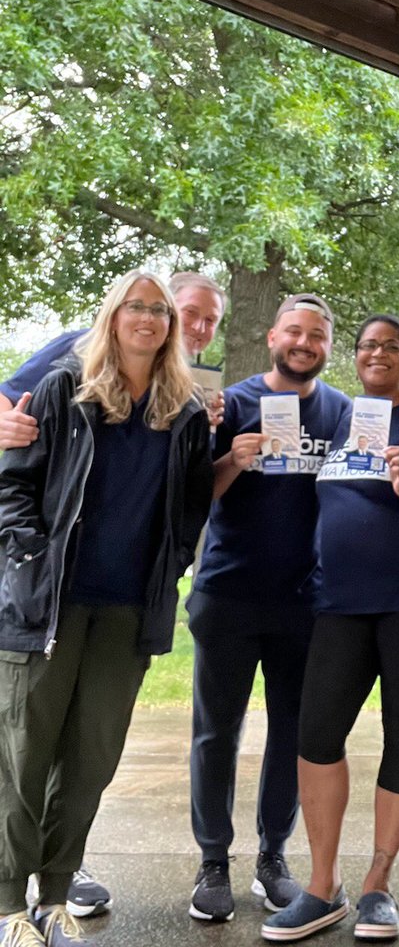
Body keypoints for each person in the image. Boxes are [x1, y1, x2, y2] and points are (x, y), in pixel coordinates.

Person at [0, 271, 224, 917]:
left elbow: (189, 507)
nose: (149, 318)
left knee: (91, 760)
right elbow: (13, 487)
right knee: (23, 754)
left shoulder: (183, 413)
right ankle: (10, 905)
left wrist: (173, 562)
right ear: (115, 315)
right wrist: (32, 555)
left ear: (171, 327)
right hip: (49, 607)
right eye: (137, 306)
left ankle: (54, 894)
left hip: (127, 614)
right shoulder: (63, 389)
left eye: (160, 310)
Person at [262, 315, 399, 943]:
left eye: (391, 346)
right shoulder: (339, 421)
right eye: (367, 346)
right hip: (340, 601)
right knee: (317, 733)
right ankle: (321, 885)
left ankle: (377, 884)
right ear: (353, 359)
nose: (378, 354)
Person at [187, 294, 350, 923]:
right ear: (272, 335)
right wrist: (233, 456)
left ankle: (272, 859)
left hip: (305, 601)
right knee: (215, 732)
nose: (305, 343)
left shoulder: (342, 411)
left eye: (318, 335)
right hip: (228, 590)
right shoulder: (229, 401)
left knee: (293, 734)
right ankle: (212, 861)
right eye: (295, 332)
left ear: (327, 346)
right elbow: (193, 493)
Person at [0, 271, 226, 452]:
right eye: (190, 312)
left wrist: (198, 427)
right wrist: (4, 424)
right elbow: (7, 395)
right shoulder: (80, 346)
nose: (199, 327)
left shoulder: (190, 387)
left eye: (211, 320)